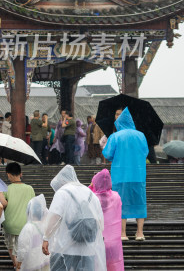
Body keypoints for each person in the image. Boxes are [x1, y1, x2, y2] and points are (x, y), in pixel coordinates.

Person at [41, 165, 105, 270]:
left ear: (62, 180)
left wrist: (46, 238)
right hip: (87, 249)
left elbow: (54, 217)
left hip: (65, 248)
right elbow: (100, 222)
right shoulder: (91, 194)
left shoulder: (62, 193)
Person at [103, 108, 148, 241]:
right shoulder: (141, 135)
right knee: (140, 201)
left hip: (120, 175)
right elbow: (145, 153)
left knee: (120, 202)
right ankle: (139, 233)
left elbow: (108, 154)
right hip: (138, 175)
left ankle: (123, 233)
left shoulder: (115, 136)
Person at [3, 162, 36, 270]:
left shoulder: (6, 189)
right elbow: (33, 206)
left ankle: (16, 264)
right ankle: (20, 265)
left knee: (11, 247)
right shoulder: (30, 189)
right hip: (25, 224)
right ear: (20, 174)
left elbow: (3, 204)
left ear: (8, 174)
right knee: (23, 247)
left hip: (10, 224)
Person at [89, 169, 124, 271]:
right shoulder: (116, 196)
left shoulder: (92, 198)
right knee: (114, 266)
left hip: (97, 242)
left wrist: (91, 187)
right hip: (113, 243)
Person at [16, 195, 50, 271]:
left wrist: (19, 262)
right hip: (46, 261)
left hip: (32, 263)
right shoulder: (47, 226)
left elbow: (23, 247)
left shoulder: (28, 227)